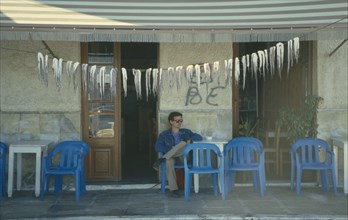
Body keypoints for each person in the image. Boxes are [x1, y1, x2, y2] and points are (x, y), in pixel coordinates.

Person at [152, 111, 202, 197]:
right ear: (171, 122)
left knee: (184, 143)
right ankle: (174, 190)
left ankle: (162, 158)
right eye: (177, 121)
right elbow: (157, 147)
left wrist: (189, 140)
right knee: (169, 161)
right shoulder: (164, 135)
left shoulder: (186, 132)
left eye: (181, 121)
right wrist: (171, 149)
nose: (179, 123)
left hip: (184, 157)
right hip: (172, 158)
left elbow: (199, 137)